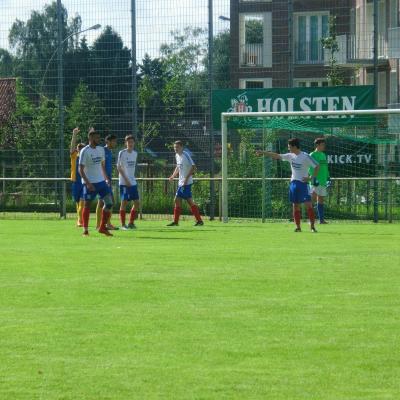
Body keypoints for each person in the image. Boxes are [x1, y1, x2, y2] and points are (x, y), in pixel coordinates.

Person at [256, 138, 320, 232]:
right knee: (295, 205)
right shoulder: (290, 156)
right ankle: (298, 227)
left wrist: (310, 178)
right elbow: (276, 155)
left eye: (289, 147)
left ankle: (312, 227)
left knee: (308, 205)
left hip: (303, 184)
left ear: (295, 146)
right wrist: (262, 152)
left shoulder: (305, 156)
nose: (288, 148)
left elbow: (317, 166)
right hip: (293, 183)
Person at [79, 128, 114, 236]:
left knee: (109, 203)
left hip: (101, 182)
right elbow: (80, 169)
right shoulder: (85, 151)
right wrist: (88, 183)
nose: (99, 139)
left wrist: (106, 178)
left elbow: (102, 166)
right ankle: (85, 229)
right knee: (87, 205)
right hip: (90, 183)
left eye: (99, 137)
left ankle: (102, 227)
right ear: (90, 138)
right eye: (96, 137)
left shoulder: (101, 149)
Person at [167, 141, 203, 226]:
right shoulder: (177, 156)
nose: (176, 149)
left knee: (177, 199)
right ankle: (199, 221)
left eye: (177, 147)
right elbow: (178, 167)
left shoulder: (186, 155)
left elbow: (194, 168)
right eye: (175, 147)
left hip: (186, 183)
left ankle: (176, 222)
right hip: (181, 182)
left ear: (182, 147)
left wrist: (186, 179)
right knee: (188, 201)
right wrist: (173, 176)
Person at [117, 135, 140, 230]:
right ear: (125, 143)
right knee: (124, 202)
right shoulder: (122, 153)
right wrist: (126, 180)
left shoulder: (135, 153)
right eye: (128, 142)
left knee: (137, 203)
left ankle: (131, 223)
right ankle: (123, 225)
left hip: (132, 182)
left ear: (134, 143)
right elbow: (119, 167)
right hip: (124, 182)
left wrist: (131, 180)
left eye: (132, 142)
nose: (130, 144)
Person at [96, 134, 118, 230]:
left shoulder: (109, 151)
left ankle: (106, 223)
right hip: (102, 180)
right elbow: (101, 165)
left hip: (107, 179)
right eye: (113, 141)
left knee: (107, 202)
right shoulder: (103, 150)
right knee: (103, 202)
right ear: (108, 142)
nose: (115, 143)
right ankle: (100, 225)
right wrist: (104, 178)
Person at [310, 137, 331, 224]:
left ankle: (321, 220)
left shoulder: (323, 155)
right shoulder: (312, 155)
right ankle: (311, 220)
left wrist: (328, 177)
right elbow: (310, 168)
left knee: (321, 199)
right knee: (312, 199)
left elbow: (325, 167)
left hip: (323, 180)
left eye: (324, 145)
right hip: (316, 181)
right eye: (322, 145)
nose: (324, 146)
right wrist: (314, 178)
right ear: (317, 145)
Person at [69, 127, 85, 227]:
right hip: (76, 181)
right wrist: (74, 134)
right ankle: (80, 219)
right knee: (78, 201)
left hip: (84, 181)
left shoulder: (86, 156)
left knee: (82, 201)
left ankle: (80, 220)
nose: (78, 149)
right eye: (78, 148)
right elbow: (72, 147)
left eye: (81, 148)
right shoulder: (74, 156)